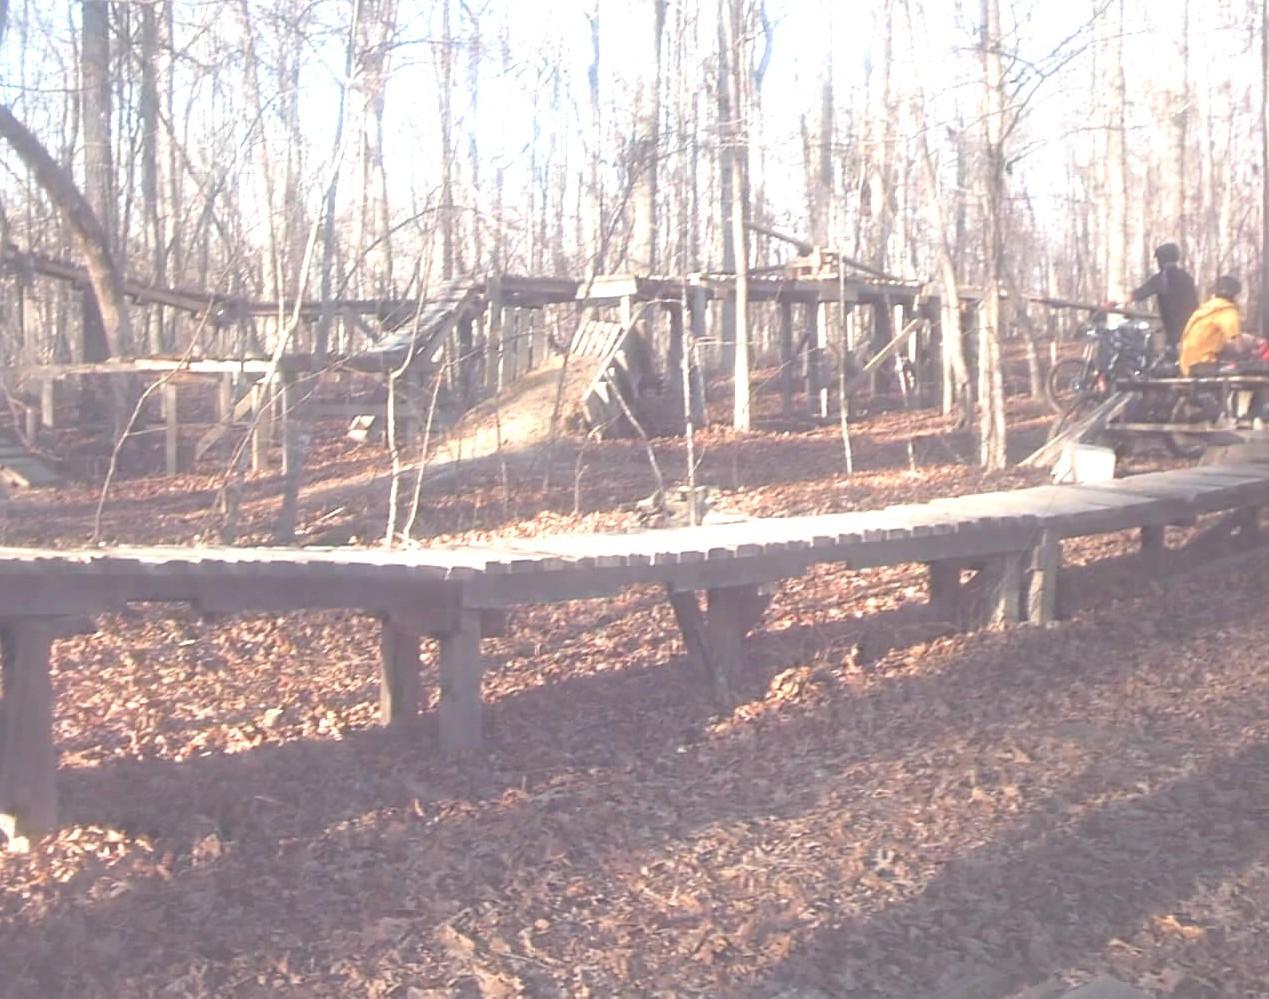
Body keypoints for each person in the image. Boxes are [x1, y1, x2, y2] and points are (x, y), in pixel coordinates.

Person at [1128, 242, 1199, 352]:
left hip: (1175, 333)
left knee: (1170, 357)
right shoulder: (1187, 277)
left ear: (1162, 259)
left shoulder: (1163, 278)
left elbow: (1140, 293)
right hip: (1192, 329)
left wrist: (1116, 302)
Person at [1178, 274, 1245, 375]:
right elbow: (1237, 343)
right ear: (1233, 295)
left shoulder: (1206, 309)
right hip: (1205, 363)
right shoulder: (1227, 310)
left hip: (1187, 364)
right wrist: (1248, 355)